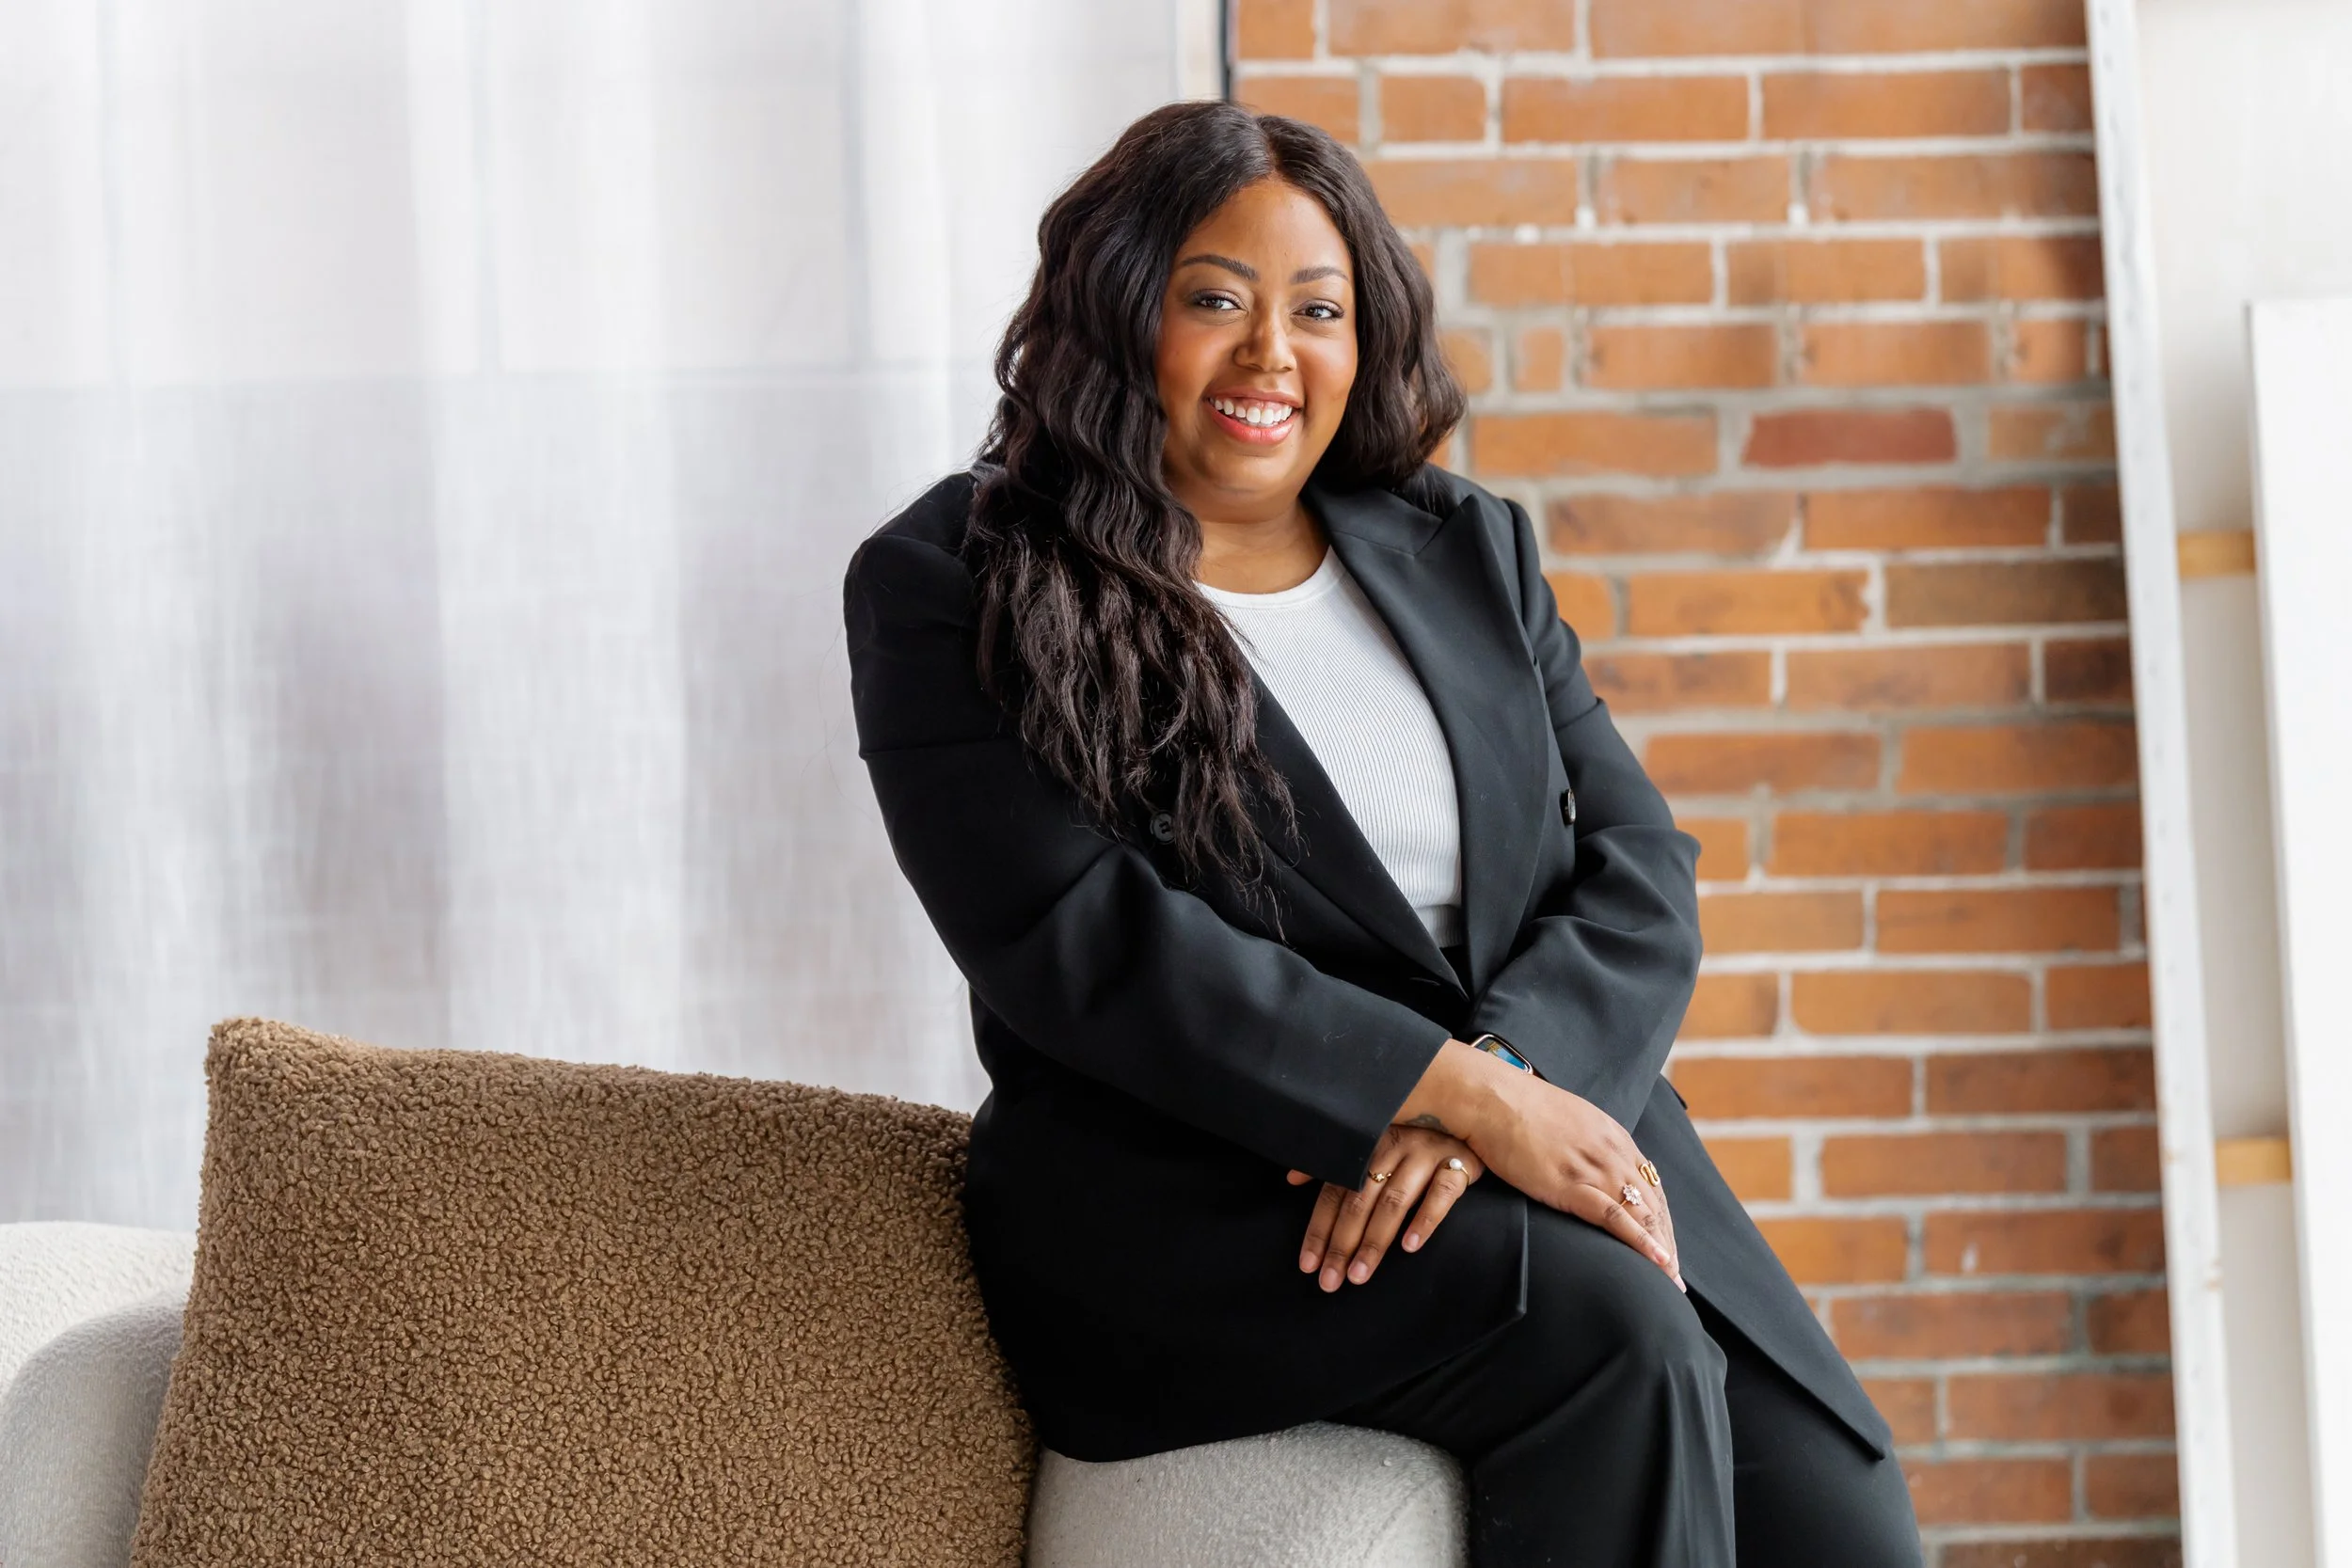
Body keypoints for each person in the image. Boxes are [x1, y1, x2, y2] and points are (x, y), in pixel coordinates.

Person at [842, 100, 1922, 1568]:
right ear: (1114, 308)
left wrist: (1506, 1086)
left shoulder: (1463, 545)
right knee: (1615, 1343)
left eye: (1319, 308)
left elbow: (1638, 870)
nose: (1270, 355)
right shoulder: (953, 583)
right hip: (1192, 1194)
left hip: (1541, 1123)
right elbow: (1077, 943)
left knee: (1851, 1525)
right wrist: (1444, 1095)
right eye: (1213, 298)